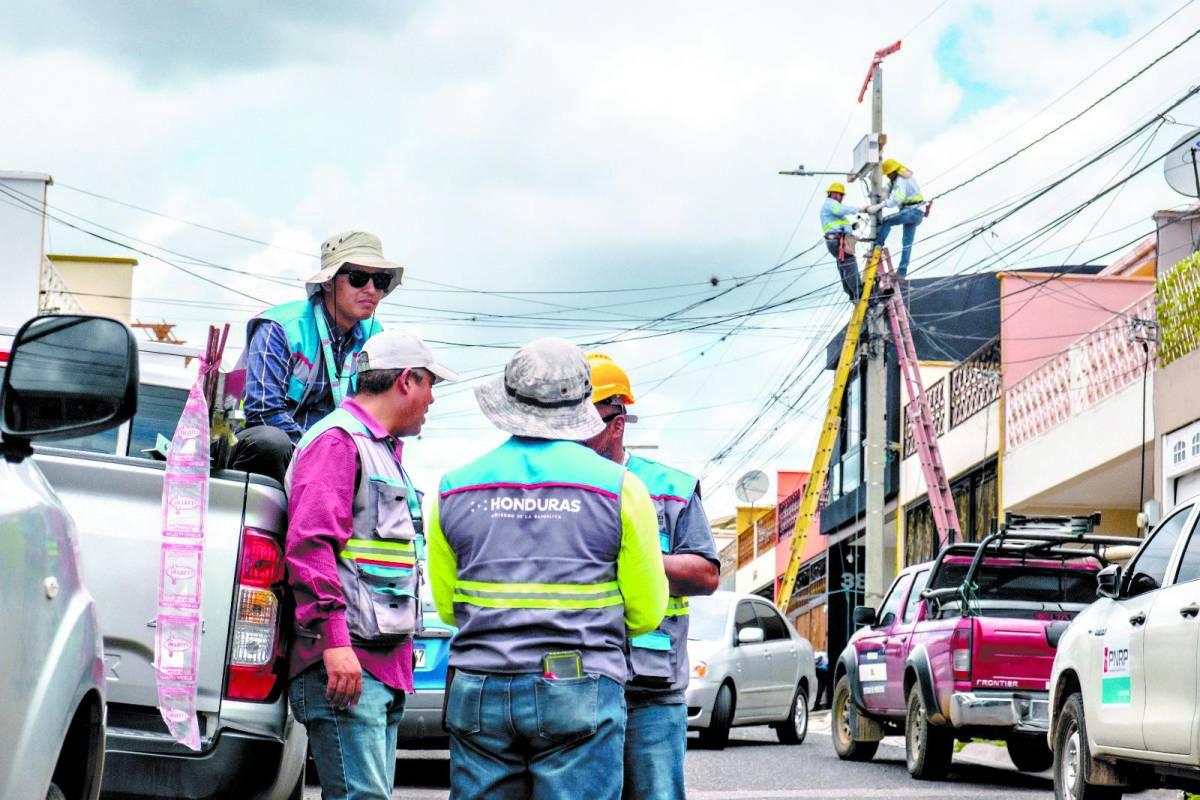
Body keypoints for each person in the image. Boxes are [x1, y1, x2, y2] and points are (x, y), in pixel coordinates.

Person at [426, 337, 668, 800]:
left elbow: (448, 608)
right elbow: (646, 612)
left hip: (480, 689)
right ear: (583, 404)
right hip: (580, 688)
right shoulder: (621, 489)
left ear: (508, 400)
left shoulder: (451, 490)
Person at [284, 329, 458, 800]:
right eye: (430, 386)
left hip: (378, 666)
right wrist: (334, 643)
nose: (432, 401)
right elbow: (310, 547)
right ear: (406, 380)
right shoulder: (339, 443)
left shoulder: (379, 450)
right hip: (346, 664)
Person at [583, 353, 719, 800]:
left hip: (651, 691)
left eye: (586, 421)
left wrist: (635, 558)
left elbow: (705, 573)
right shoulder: (562, 486)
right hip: (575, 684)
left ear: (617, 423)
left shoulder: (668, 489)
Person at [229, 230, 404, 483]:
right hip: (272, 453)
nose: (371, 289)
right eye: (358, 278)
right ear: (328, 282)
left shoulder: (375, 339)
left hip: (333, 459)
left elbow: (377, 416)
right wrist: (322, 454)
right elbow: (263, 412)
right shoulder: (280, 327)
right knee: (271, 442)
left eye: (381, 280)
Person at [874, 159, 926, 277]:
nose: (888, 176)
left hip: (912, 211)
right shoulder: (900, 177)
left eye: (888, 174)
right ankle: (902, 272)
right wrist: (878, 194)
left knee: (886, 222)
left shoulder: (901, 179)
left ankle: (877, 247)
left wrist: (880, 205)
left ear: (893, 171)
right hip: (917, 212)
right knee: (907, 243)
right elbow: (887, 189)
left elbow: (897, 199)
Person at [819, 181, 863, 301]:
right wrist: (860, 209)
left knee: (843, 265)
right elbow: (841, 210)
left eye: (841, 195)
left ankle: (852, 294)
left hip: (838, 239)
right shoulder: (831, 204)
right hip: (838, 240)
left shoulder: (835, 212)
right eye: (837, 194)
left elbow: (841, 223)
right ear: (831, 193)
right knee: (849, 263)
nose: (840, 197)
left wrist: (852, 228)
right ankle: (858, 293)